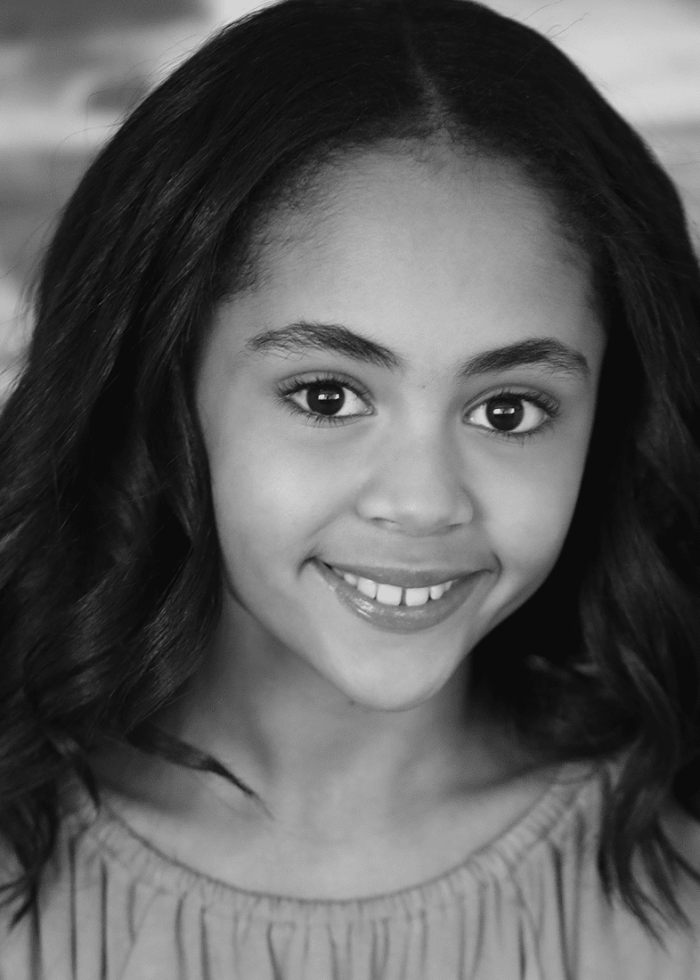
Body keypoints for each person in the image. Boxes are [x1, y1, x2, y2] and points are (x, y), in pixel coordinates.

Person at [0, 0, 699, 975]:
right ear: (161, 390)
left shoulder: (676, 890)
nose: (421, 501)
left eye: (507, 410)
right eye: (326, 395)